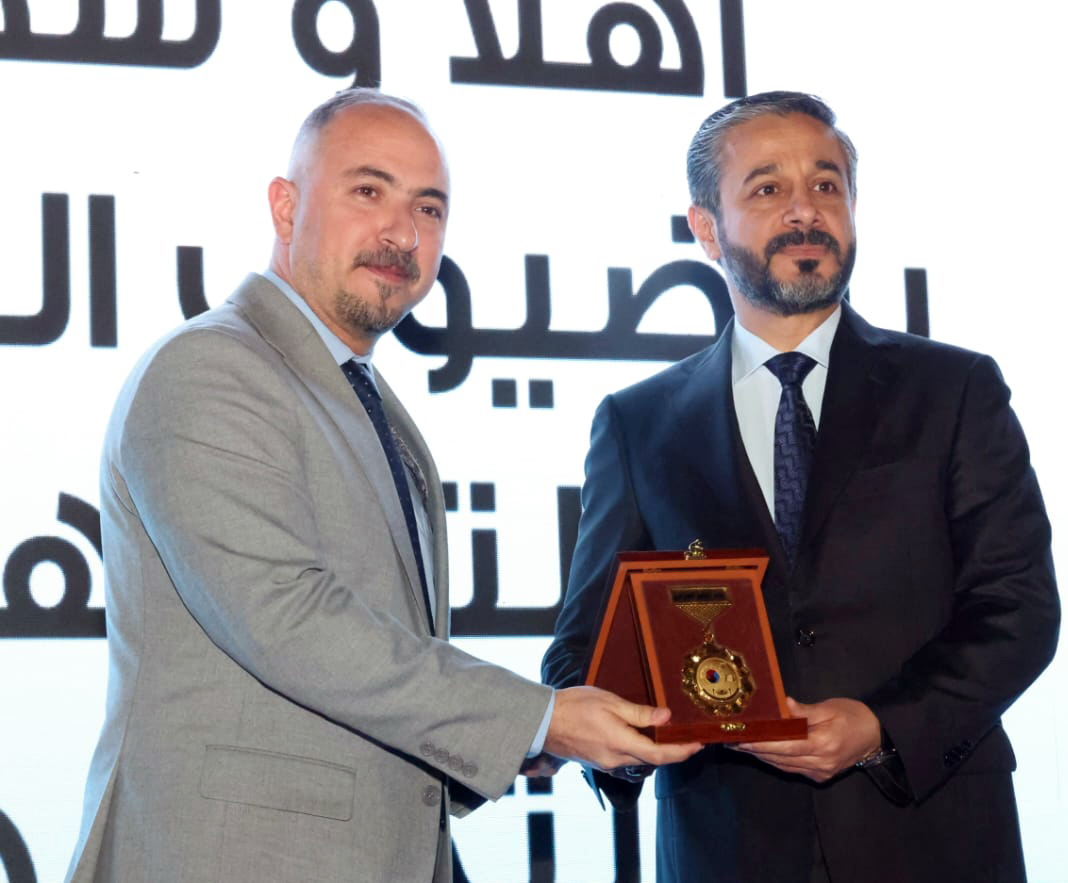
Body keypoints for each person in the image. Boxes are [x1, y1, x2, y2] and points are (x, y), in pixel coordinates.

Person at [66, 88, 699, 883]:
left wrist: (520, 738)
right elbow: (287, 619)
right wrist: (536, 719)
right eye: (368, 191)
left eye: (428, 208)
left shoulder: (359, 396)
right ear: (285, 206)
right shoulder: (211, 368)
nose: (402, 233)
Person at [542, 91, 1060, 882]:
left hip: (935, 839)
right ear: (705, 227)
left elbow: (1019, 609)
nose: (805, 210)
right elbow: (586, 647)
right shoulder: (638, 423)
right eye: (767, 188)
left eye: (826, 185)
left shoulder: (954, 390)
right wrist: (622, 736)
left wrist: (882, 726)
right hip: (727, 851)